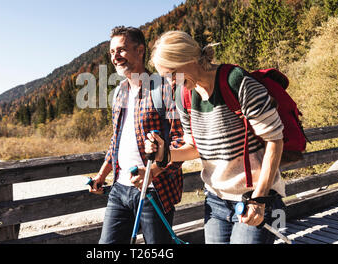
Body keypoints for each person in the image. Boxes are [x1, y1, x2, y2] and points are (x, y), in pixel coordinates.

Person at [145, 30, 286, 244]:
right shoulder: (184, 96)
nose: (172, 82)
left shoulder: (236, 81)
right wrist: (164, 153)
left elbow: (274, 140)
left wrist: (259, 198)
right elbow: (195, 147)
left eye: (173, 74)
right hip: (216, 201)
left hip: (254, 196)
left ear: (189, 60)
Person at [89, 26, 184, 244]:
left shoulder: (163, 89)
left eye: (121, 50)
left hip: (155, 192)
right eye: (112, 52)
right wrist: (102, 176)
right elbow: (116, 141)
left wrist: (155, 171)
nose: (115, 57)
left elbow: (180, 141)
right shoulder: (120, 91)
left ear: (140, 50)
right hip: (119, 189)